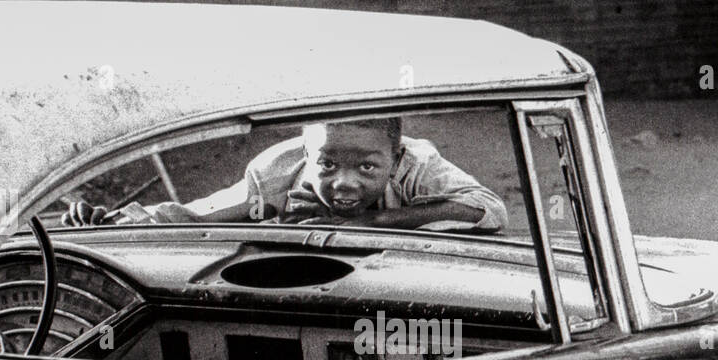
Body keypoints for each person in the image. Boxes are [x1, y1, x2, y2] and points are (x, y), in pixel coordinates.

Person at [62, 117, 506, 233]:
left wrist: (361, 222)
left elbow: (488, 209)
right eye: (327, 164)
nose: (345, 183)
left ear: (395, 157)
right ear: (306, 153)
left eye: (367, 167)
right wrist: (114, 221)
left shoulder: (417, 167)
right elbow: (194, 217)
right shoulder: (278, 174)